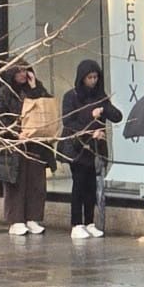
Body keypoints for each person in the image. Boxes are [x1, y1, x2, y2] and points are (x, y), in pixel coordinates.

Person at [59, 59, 122, 238]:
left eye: (95, 77)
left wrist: (104, 109)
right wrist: (91, 120)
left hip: (95, 148)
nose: (93, 81)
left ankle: (89, 221)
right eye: (89, 77)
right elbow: (69, 122)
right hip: (78, 147)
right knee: (79, 184)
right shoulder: (71, 97)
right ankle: (76, 223)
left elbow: (117, 116)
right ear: (82, 78)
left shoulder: (100, 96)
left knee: (91, 186)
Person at [0, 59, 55, 236]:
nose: (22, 74)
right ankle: (16, 220)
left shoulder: (35, 89)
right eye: (18, 71)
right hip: (14, 145)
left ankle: (33, 218)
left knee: (36, 182)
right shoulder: (3, 94)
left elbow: (46, 106)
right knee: (16, 184)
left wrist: (34, 87)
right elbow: (0, 119)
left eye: (25, 70)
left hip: (35, 144)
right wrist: (16, 133)